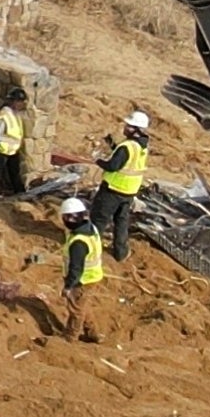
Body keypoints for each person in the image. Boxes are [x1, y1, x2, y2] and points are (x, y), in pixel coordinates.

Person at [94, 109, 151, 263]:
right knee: (121, 221)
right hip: (129, 191)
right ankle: (121, 252)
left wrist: (98, 161)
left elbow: (113, 166)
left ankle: (91, 249)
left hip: (113, 189)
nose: (125, 128)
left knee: (99, 219)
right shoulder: (142, 145)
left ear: (136, 129)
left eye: (129, 126)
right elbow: (126, 160)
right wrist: (112, 145)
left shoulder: (127, 147)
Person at [59, 197, 108, 343]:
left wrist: (69, 286)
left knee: (76, 309)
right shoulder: (91, 228)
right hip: (92, 276)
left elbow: (76, 267)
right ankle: (93, 333)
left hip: (82, 280)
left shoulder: (79, 242)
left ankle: (70, 338)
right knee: (83, 305)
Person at [0, 86, 36, 195]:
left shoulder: (15, 113)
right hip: (2, 150)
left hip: (13, 150)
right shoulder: (4, 114)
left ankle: (20, 192)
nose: (21, 104)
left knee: (15, 172)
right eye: (19, 101)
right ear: (13, 101)